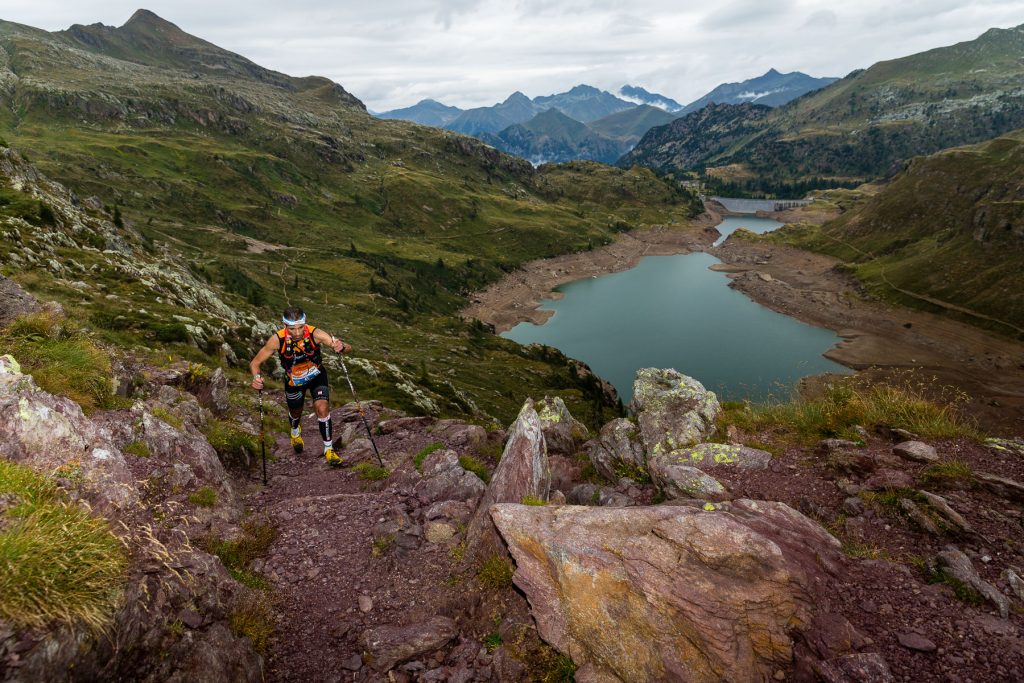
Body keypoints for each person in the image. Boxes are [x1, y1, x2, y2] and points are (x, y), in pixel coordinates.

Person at [250, 306, 352, 466]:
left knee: (322, 407)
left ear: (305, 323)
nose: (297, 333)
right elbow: (255, 363)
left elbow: (345, 347)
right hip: (293, 381)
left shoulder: (315, 333)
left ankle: (329, 450)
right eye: (292, 329)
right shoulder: (277, 340)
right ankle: (295, 431)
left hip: (317, 376)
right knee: (295, 412)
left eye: (300, 328)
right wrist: (256, 378)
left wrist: (341, 346)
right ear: (284, 326)